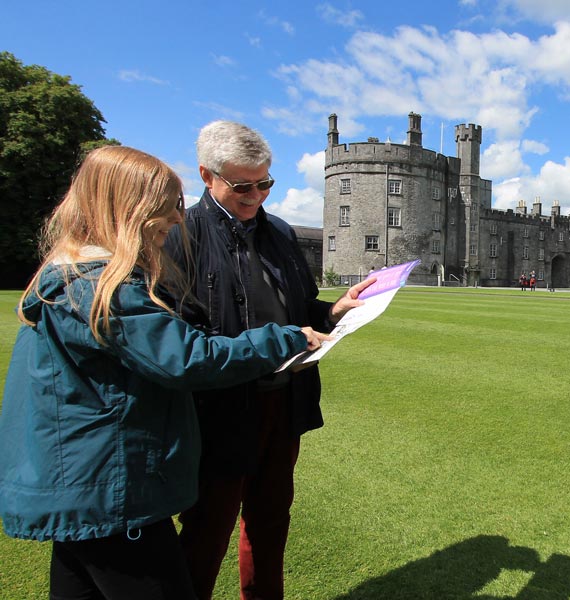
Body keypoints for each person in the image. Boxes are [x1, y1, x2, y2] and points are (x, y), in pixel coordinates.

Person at [0, 146, 333, 599]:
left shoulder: (70, 274)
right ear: (127, 210)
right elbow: (186, 357)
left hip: (83, 485)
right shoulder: (101, 285)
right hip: (111, 488)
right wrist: (285, 338)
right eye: (165, 208)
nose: (176, 220)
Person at [163, 121, 371, 600]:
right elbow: (181, 339)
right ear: (206, 176)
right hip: (219, 409)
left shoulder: (279, 231)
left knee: (271, 523)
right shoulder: (182, 237)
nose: (256, 196)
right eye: (243, 186)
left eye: (265, 183)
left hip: (284, 402)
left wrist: (333, 310)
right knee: (206, 531)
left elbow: (300, 309)